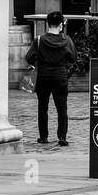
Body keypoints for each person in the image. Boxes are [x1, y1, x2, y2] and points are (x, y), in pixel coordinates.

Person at [25, 11, 77, 146]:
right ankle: (62, 137)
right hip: (60, 77)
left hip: (43, 77)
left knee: (42, 108)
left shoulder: (39, 40)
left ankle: (43, 137)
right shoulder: (66, 40)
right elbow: (73, 58)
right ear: (61, 25)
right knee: (62, 108)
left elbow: (29, 57)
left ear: (47, 24)